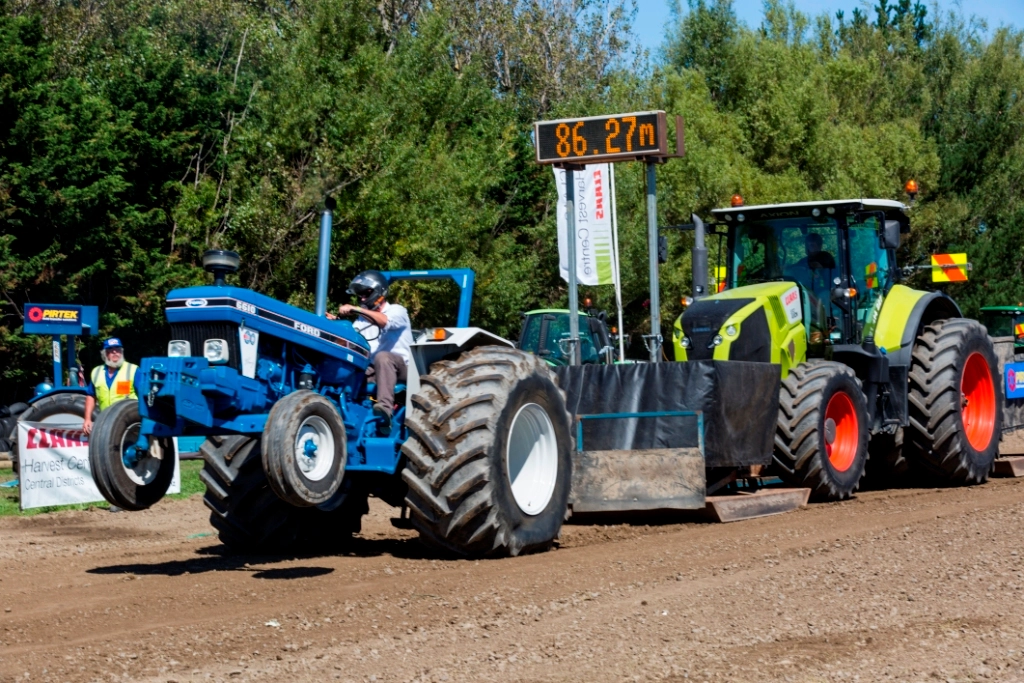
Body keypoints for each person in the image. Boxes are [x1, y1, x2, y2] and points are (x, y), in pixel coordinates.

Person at [335, 270, 412, 432]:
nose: (362, 298)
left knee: (383, 358)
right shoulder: (362, 320)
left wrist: (356, 309)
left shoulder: (398, 311)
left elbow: (385, 322)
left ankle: (385, 409)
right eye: (360, 295)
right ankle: (343, 409)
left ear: (379, 292)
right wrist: (335, 324)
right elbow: (351, 336)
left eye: (366, 293)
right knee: (350, 367)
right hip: (377, 369)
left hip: (403, 368)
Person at [83, 338, 138, 436]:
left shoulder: (133, 370)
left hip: (129, 423)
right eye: (110, 350)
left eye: (117, 349)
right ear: (105, 354)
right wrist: (87, 419)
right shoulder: (97, 372)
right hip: (105, 422)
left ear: (122, 352)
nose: (115, 352)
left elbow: (144, 396)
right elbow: (90, 395)